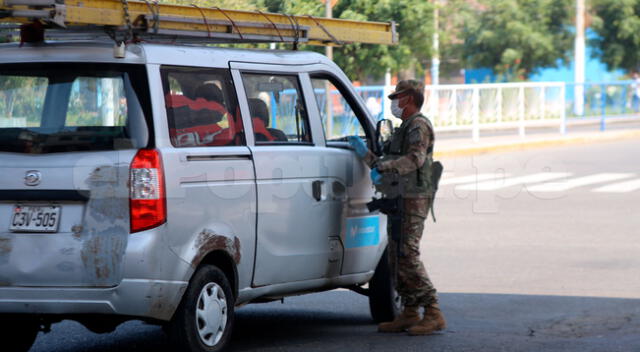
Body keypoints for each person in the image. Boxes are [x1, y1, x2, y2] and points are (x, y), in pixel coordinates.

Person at [348, 79, 445, 336]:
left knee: (408, 254)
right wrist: (365, 155)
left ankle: (433, 311)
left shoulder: (418, 126)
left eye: (397, 98)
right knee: (395, 255)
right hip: (398, 197)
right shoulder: (403, 128)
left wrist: (385, 167)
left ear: (410, 99)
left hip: (413, 196)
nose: (394, 103)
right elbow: (385, 161)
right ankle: (410, 311)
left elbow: (415, 159)